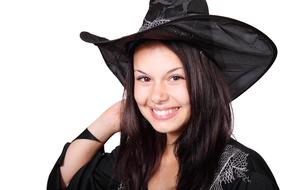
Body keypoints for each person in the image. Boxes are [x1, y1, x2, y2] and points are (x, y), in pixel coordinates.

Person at [47, 0, 279, 189]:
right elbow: (67, 180)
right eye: (144, 79)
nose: (157, 95)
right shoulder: (132, 159)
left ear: (203, 82)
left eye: (175, 77)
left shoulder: (244, 173)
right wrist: (109, 120)